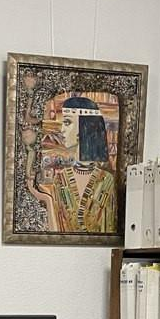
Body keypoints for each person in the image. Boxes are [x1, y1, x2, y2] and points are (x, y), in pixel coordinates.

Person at [26, 94, 117, 234]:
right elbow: (56, 236)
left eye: (67, 123)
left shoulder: (106, 181)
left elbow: (109, 231)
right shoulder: (60, 179)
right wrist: (47, 200)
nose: (62, 129)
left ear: (84, 127)